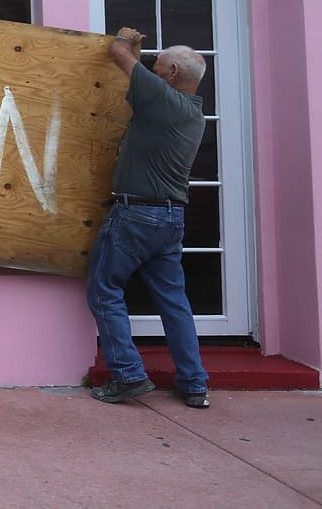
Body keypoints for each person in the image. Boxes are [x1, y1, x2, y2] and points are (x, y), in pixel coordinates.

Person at [86, 26, 211, 409]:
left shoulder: (161, 99)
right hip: (171, 219)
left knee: (104, 290)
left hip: (137, 214)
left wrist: (126, 37)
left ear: (172, 72)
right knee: (173, 301)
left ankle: (127, 375)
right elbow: (137, 69)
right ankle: (193, 383)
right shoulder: (192, 112)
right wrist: (141, 55)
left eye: (157, 66)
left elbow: (119, 53)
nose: (152, 70)